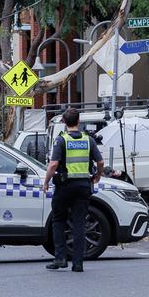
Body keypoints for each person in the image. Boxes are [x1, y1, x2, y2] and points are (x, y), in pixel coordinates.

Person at [43, 108, 104, 272]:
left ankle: (60, 258)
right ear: (78, 121)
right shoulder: (88, 140)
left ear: (64, 122)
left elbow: (53, 164)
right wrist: (98, 175)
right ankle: (78, 263)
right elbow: (100, 162)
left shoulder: (61, 140)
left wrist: (46, 181)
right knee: (79, 224)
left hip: (65, 185)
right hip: (83, 185)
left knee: (58, 220)